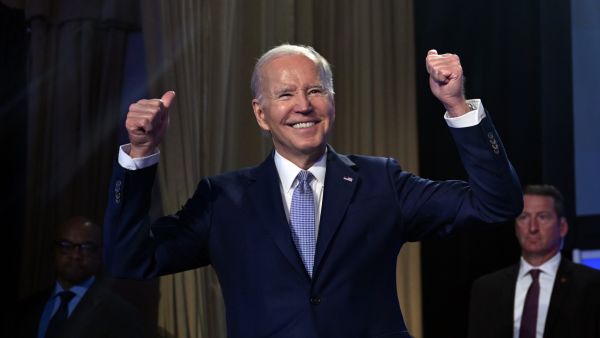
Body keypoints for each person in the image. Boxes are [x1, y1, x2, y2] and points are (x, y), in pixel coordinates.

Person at [104, 44, 523, 338]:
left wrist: (457, 106)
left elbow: (496, 204)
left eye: (315, 90)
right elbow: (130, 259)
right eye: (285, 94)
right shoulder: (223, 199)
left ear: (332, 102)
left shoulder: (381, 182)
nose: (303, 105)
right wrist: (140, 153)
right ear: (261, 114)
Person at [468, 185, 600, 338]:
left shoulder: (592, 286)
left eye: (542, 217)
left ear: (562, 227)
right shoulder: (486, 289)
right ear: (515, 227)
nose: (532, 228)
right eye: (524, 217)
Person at [14, 216, 145, 338]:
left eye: (86, 247)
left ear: (100, 255)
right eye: (66, 246)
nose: (76, 255)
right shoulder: (26, 308)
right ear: (54, 251)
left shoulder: (121, 314)